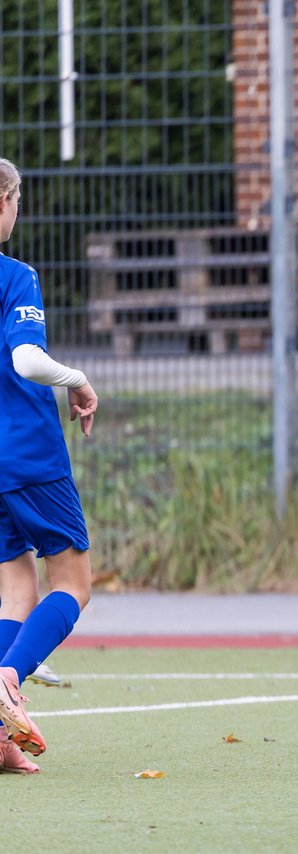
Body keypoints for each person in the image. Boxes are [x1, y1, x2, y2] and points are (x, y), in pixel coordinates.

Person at [0, 158, 97, 773]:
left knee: (15, 584)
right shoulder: (16, 276)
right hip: (29, 453)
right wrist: (78, 377)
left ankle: (0, 742)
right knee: (74, 583)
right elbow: (28, 361)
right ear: (5, 201)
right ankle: (8, 677)